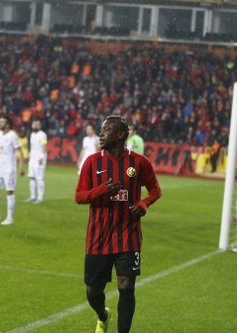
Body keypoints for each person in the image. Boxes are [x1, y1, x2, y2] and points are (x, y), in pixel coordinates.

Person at [75, 115, 162, 333]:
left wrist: (143, 204)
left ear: (121, 135)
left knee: (127, 286)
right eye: (101, 130)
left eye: (106, 130)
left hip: (128, 234)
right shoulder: (92, 162)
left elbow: (155, 191)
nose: (101, 134)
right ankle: (103, 315)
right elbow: (79, 196)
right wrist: (102, 190)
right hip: (99, 236)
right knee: (93, 290)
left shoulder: (139, 163)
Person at [0, 115, 25, 225]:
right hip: (0, 168)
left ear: (7, 125)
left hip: (9, 168)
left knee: (9, 192)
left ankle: (9, 218)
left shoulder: (13, 135)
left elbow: (20, 151)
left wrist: (21, 166)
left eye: (2, 122)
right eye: (0, 121)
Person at [25, 119, 47, 204]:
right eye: (34, 124)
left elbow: (44, 145)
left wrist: (41, 156)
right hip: (32, 159)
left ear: (40, 126)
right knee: (31, 177)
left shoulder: (42, 135)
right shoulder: (32, 134)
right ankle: (32, 196)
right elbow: (32, 146)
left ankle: (40, 198)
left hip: (39, 159)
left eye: (37, 125)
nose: (35, 126)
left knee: (39, 178)